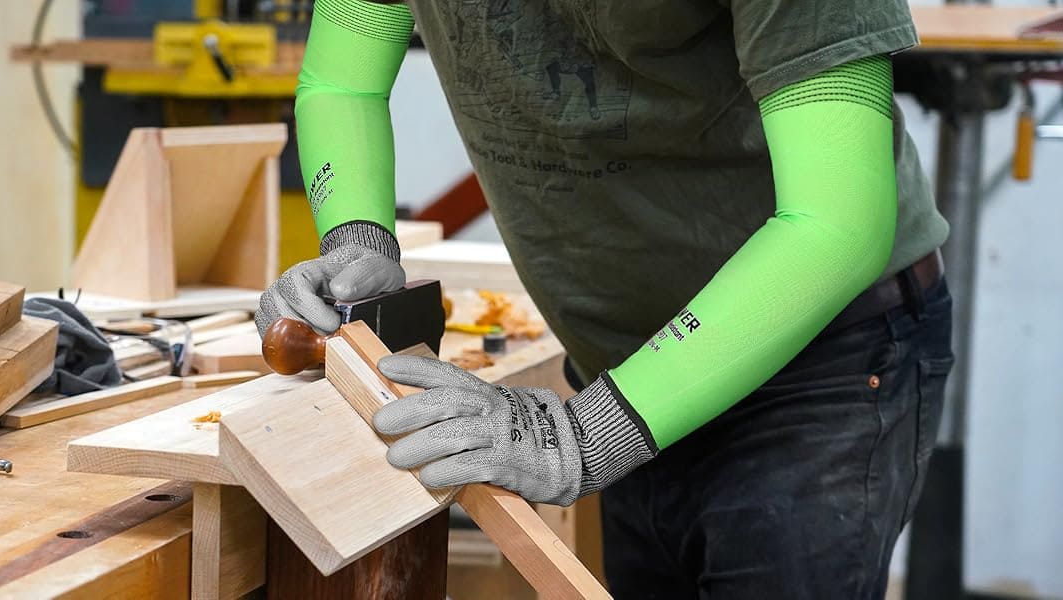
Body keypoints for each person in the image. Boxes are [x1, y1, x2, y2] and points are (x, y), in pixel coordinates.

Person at [255, 0, 955, 596]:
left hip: (815, 367)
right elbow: (341, 82)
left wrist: (585, 435)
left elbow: (840, 223)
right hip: (620, 368)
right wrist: (358, 239)